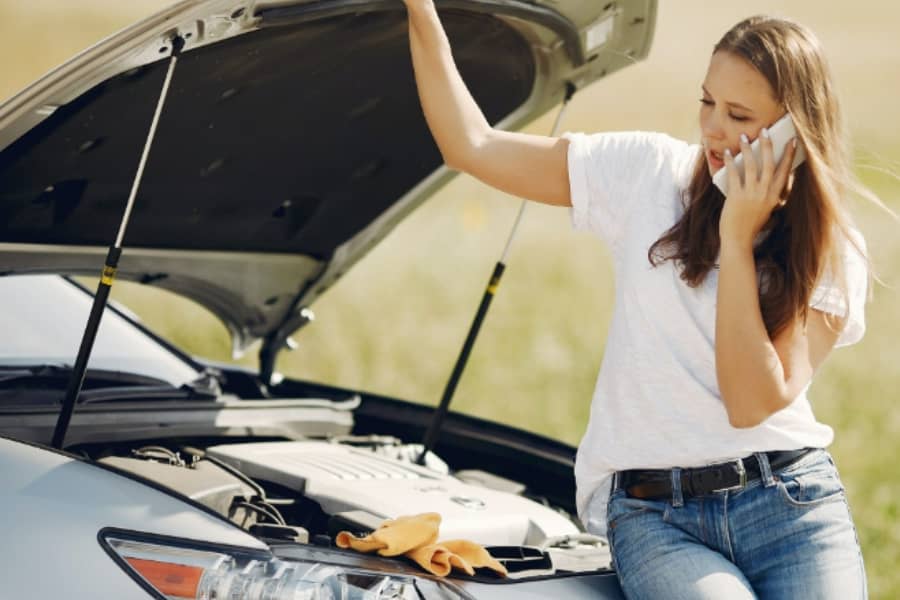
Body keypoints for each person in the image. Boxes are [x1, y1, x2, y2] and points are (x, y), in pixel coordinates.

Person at [400, 2, 871, 599]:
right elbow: (472, 145)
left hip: (790, 504)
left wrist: (737, 237)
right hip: (657, 517)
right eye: (708, 103)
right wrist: (420, 10)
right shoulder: (649, 174)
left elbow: (750, 402)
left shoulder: (833, 247)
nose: (714, 130)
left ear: (794, 133)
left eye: (740, 114)